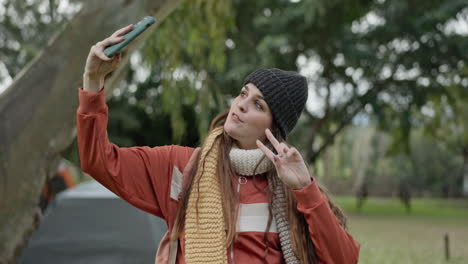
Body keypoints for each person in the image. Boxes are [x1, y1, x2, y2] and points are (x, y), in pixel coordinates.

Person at [77, 24, 360, 264]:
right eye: (242, 93)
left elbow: (345, 259)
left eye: (258, 104)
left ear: (274, 128)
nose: (240, 105)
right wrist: (93, 82)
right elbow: (99, 161)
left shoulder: (291, 193)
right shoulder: (182, 166)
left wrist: (305, 190)